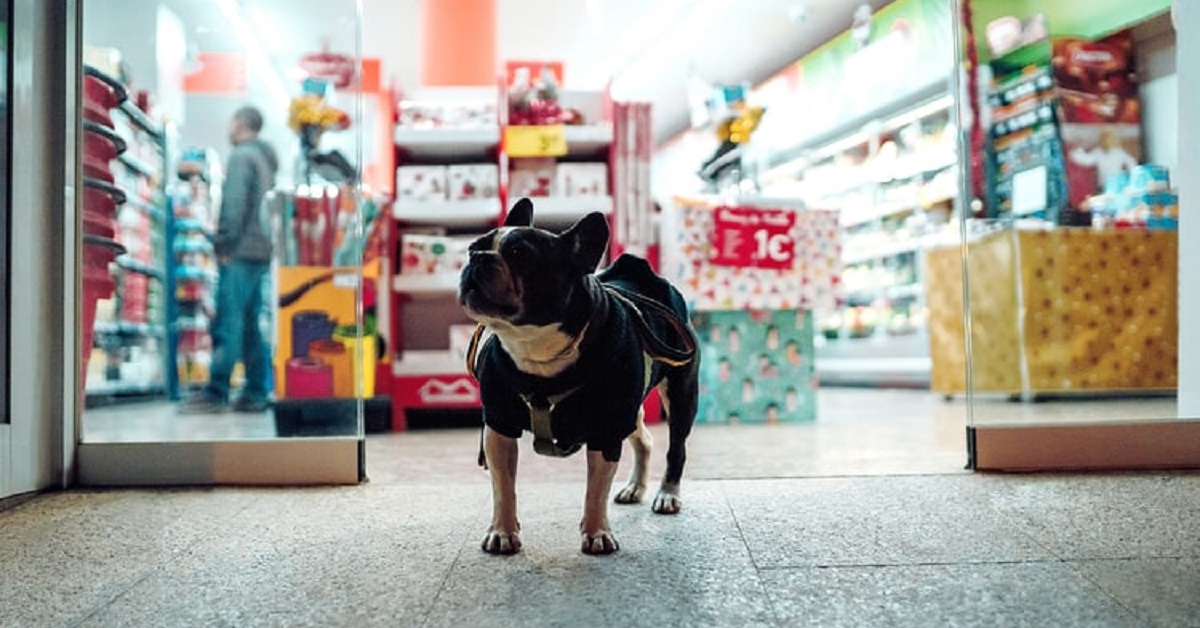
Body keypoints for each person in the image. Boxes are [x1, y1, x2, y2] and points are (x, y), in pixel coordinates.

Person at [180, 106, 278, 414]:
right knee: (251, 324)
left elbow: (234, 204)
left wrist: (223, 242)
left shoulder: (241, 156)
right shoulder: (266, 159)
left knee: (228, 322)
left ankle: (216, 391)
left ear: (241, 123)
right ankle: (255, 392)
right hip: (261, 250)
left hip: (240, 250)